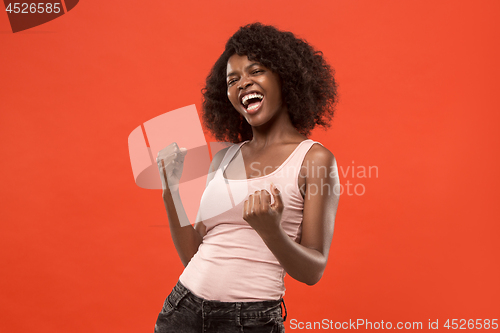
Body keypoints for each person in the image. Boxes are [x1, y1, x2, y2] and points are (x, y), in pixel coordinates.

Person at [155, 22, 339, 333]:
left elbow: (313, 271)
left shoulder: (314, 159)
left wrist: (271, 231)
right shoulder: (224, 158)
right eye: (233, 79)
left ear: (285, 77)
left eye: (256, 71)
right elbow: (193, 255)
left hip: (250, 320)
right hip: (182, 309)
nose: (243, 83)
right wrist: (170, 190)